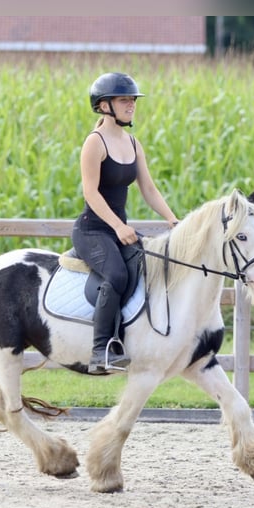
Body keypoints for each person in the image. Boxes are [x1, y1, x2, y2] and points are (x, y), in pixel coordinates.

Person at [72, 72, 180, 374]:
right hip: (93, 230)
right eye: (124, 100)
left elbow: (148, 189)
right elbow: (90, 193)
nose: (131, 104)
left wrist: (172, 219)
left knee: (152, 265)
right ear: (104, 106)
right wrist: (118, 226)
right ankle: (101, 349)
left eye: (132, 99)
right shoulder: (94, 143)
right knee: (117, 275)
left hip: (120, 231)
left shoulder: (133, 143)